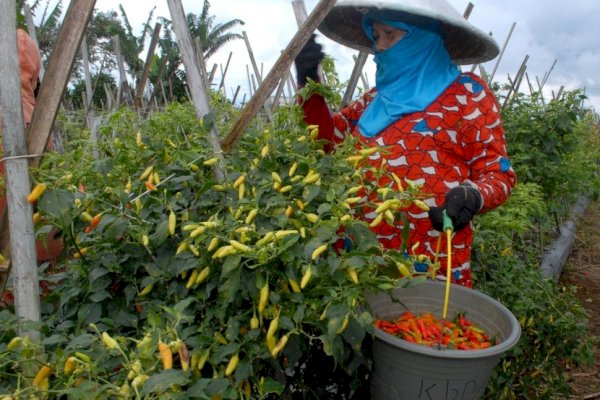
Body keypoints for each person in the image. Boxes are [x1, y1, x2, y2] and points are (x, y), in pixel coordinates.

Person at [294, 0, 516, 287]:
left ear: (422, 38)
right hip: (361, 258)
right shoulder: (375, 100)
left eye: (390, 34)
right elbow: (327, 142)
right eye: (376, 36)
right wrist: (309, 81)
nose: (380, 46)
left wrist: (473, 196)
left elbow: (499, 174)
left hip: (430, 263)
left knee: (422, 327)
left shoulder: (466, 95)